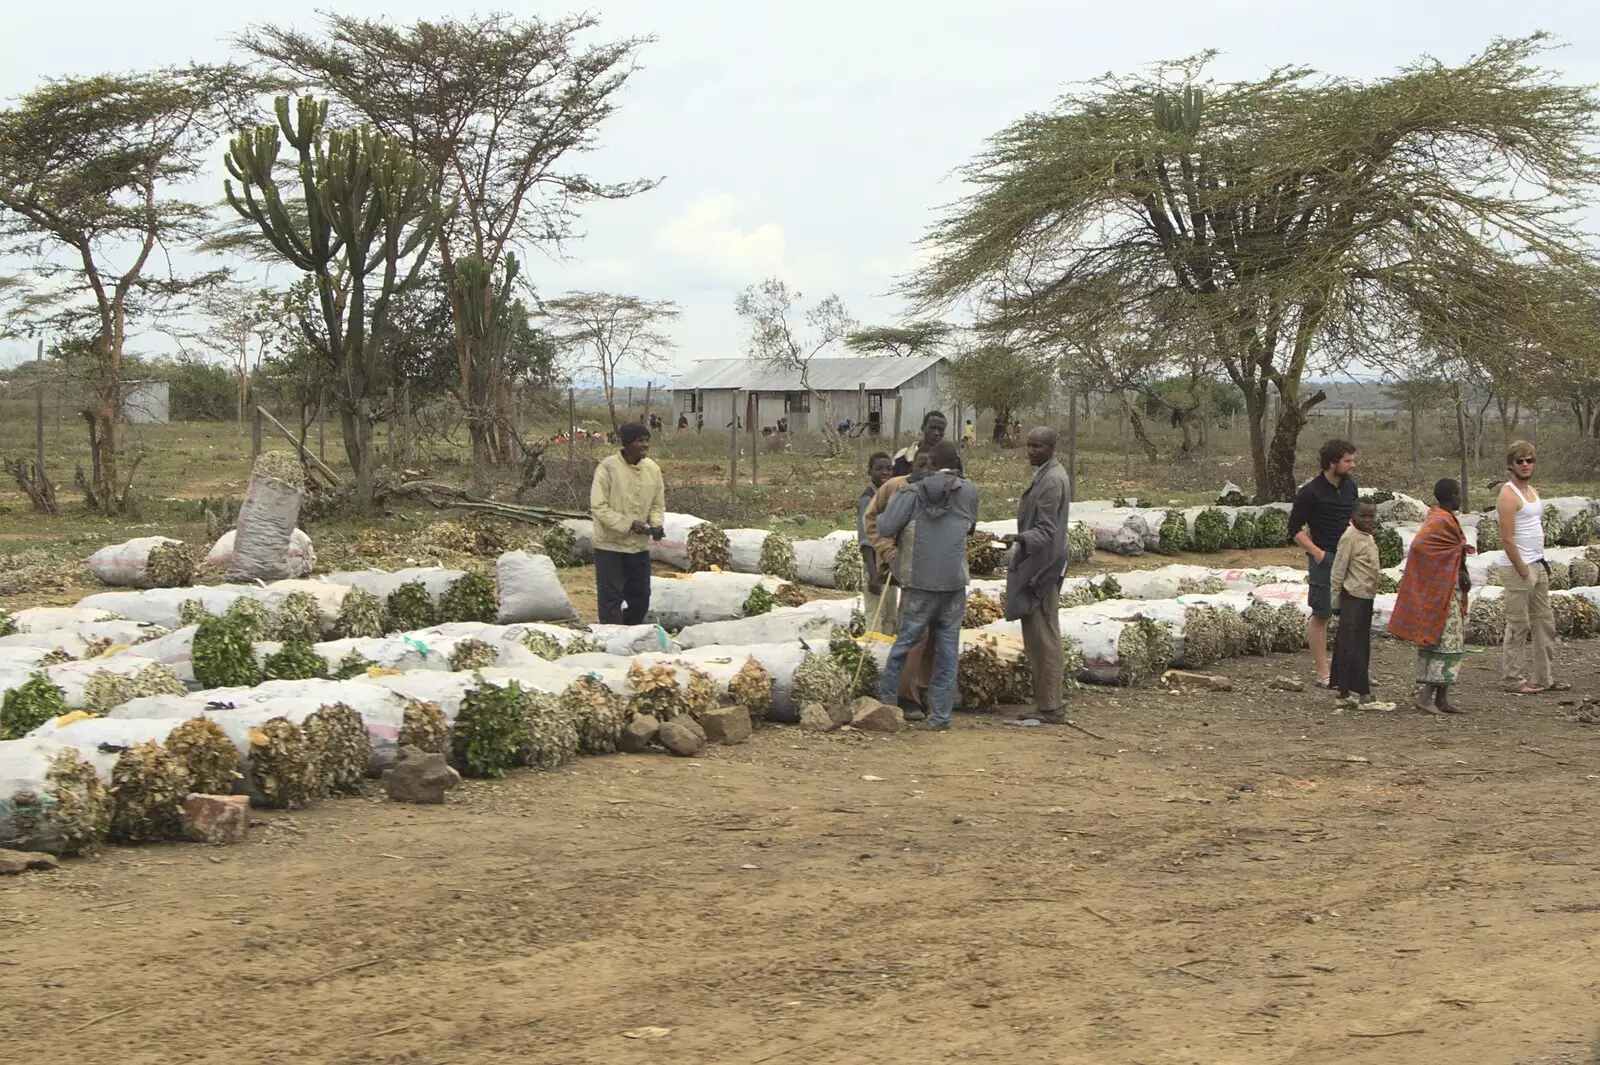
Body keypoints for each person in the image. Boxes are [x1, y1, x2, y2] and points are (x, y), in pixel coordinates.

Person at [877, 440, 979, 731]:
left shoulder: (913, 491)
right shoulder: (969, 491)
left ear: (931, 463)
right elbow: (969, 525)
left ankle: (886, 704)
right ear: (956, 463)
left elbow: (885, 527)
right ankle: (940, 716)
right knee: (947, 651)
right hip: (953, 582)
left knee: (905, 643)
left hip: (919, 580)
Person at [1002, 428, 1072, 724]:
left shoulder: (1052, 481)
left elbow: (1045, 530)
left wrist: (1019, 539)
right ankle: (1048, 702)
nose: (1031, 451)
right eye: (1029, 445)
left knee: (1043, 638)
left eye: (1038, 446)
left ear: (1052, 447)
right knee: (1039, 636)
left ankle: (1050, 706)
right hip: (1040, 565)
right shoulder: (1047, 474)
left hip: (1041, 569)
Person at [1390, 479, 1472, 714]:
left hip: (1452, 589)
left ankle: (1442, 698)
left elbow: (1454, 549)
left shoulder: (1447, 518)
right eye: (1457, 494)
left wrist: (1461, 569)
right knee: (1442, 642)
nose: (1460, 498)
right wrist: (1449, 564)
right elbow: (1420, 547)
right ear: (1452, 497)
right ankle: (1426, 696)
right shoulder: (1438, 520)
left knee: (1453, 642)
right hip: (1440, 591)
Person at [865, 451, 935, 715]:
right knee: (911, 635)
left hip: (939, 578)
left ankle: (926, 692)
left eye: (931, 465)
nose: (925, 469)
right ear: (911, 464)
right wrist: (889, 554)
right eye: (920, 463)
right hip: (910, 576)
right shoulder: (896, 487)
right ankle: (904, 697)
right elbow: (872, 521)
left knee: (936, 638)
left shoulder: (947, 489)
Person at [1494, 440, 1564, 695]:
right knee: (1518, 625)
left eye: (1529, 460)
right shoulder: (1507, 494)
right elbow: (1507, 539)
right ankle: (1514, 679)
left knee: (1544, 623)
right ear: (1511, 465)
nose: (1525, 465)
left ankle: (1545, 677)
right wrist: (1522, 569)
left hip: (1538, 563)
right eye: (1520, 461)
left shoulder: (1532, 492)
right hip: (1518, 568)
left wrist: (1538, 565)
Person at [1287, 438, 1358, 687]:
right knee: (1322, 614)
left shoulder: (1351, 488)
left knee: (1352, 614)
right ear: (1332, 463)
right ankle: (1323, 673)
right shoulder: (1310, 493)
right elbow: (1294, 529)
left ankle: (1350, 671)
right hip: (1325, 559)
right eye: (1348, 461)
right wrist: (1318, 554)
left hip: (1350, 560)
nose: (1353, 465)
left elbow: (1354, 520)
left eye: (1352, 460)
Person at [589, 422, 665, 625]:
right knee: (611, 599)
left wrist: (656, 525)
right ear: (627, 443)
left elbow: (657, 505)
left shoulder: (653, 469)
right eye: (640, 441)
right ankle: (611, 639)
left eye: (647, 440)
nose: (645, 445)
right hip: (610, 545)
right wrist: (629, 524)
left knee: (640, 599)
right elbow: (599, 507)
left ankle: (629, 634)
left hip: (638, 547)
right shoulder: (608, 468)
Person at [1327, 501, 1380, 708]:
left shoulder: (1367, 537)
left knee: (1358, 643)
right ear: (1353, 515)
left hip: (1366, 596)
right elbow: (1338, 570)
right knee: (1351, 645)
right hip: (1352, 596)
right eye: (1362, 516)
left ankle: (1349, 689)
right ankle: (1356, 691)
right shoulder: (1349, 537)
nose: (1367, 520)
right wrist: (1335, 602)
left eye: (1370, 516)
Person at [858, 452, 896, 631]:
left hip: (888, 566)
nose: (885, 472)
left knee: (890, 615)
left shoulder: (890, 495)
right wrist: (873, 575)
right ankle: (872, 655)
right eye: (879, 468)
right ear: (869, 472)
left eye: (888, 468)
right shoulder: (868, 498)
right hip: (875, 567)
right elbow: (866, 540)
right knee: (875, 617)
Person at [893, 410, 963, 476]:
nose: (936, 433)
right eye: (932, 428)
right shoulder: (903, 457)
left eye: (940, 429)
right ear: (923, 428)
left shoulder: (953, 458)